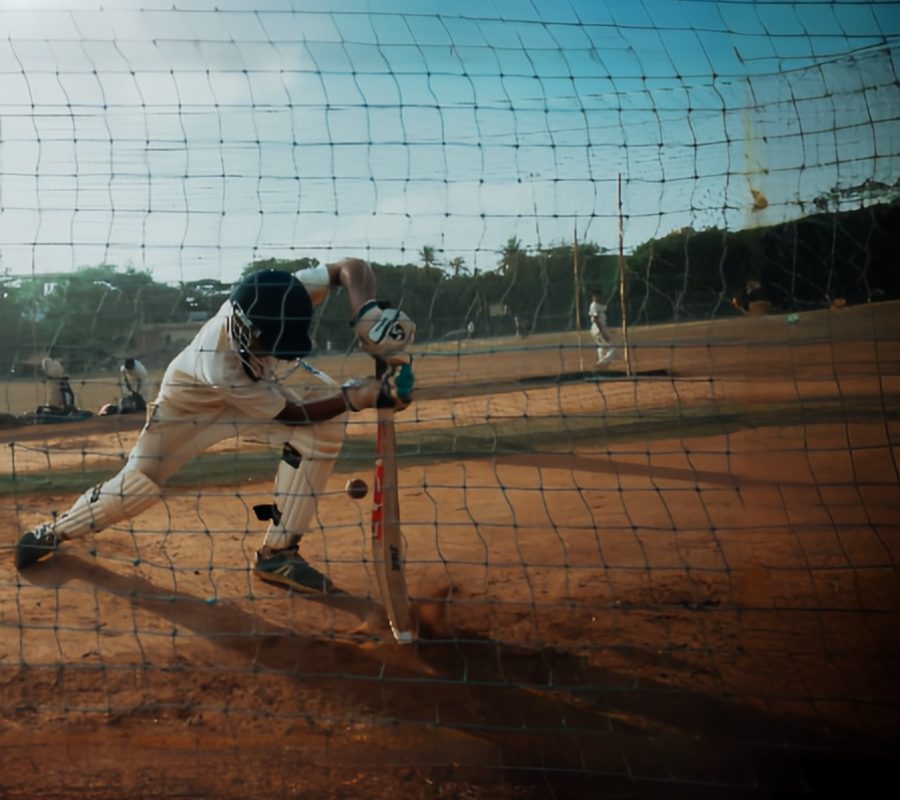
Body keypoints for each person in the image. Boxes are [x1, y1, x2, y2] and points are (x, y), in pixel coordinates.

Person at [15, 261, 416, 595]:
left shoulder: (281, 291)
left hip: (262, 387)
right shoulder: (218, 362)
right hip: (189, 406)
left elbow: (351, 268)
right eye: (270, 344)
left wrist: (367, 313)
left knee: (326, 428)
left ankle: (279, 554)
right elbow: (289, 415)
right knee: (136, 487)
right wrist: (359, 397)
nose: (277, 351)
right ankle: (55, 530)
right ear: (244, 331)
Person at [588, 291, 615, 366]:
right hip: (597, 329)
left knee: (601, 347)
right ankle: (602, 362)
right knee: (613, 350)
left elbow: (604, 306)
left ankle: (602, 362)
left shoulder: (599, 305)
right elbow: (596, 319)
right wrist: (602, 332)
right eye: (595, 296)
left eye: (598, 296)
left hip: (599, 328)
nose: (596, 298)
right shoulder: (594, 306)